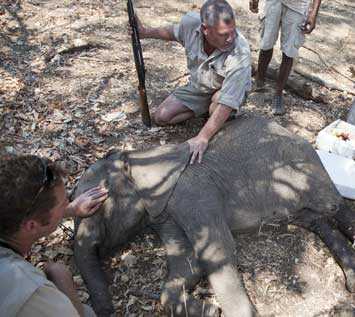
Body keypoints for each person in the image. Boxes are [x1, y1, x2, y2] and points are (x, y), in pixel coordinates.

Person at [134, 0, 251, 163]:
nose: (230, 38)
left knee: (218, 103)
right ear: (205, 29)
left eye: (232, 31)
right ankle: (205, 110)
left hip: (226, 91)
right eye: (224, 34)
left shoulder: (240, 50)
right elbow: (174, 32)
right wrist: (145, 32)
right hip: (200, 87)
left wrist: (202, 137)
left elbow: (228, 101)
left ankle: (213, 114)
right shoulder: (190, 24)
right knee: (162, 117)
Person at [0, 153, 109, 316]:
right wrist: (60, 277)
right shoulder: (29, 290)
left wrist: (70, 210)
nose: (69, 201)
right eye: (63, 202)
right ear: (31, 225)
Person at [249, 0, 321, 115]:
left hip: (298, 6)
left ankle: (278, 95)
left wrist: (313, 14)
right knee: (266, 43)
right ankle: (259, 82)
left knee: (289, 51)